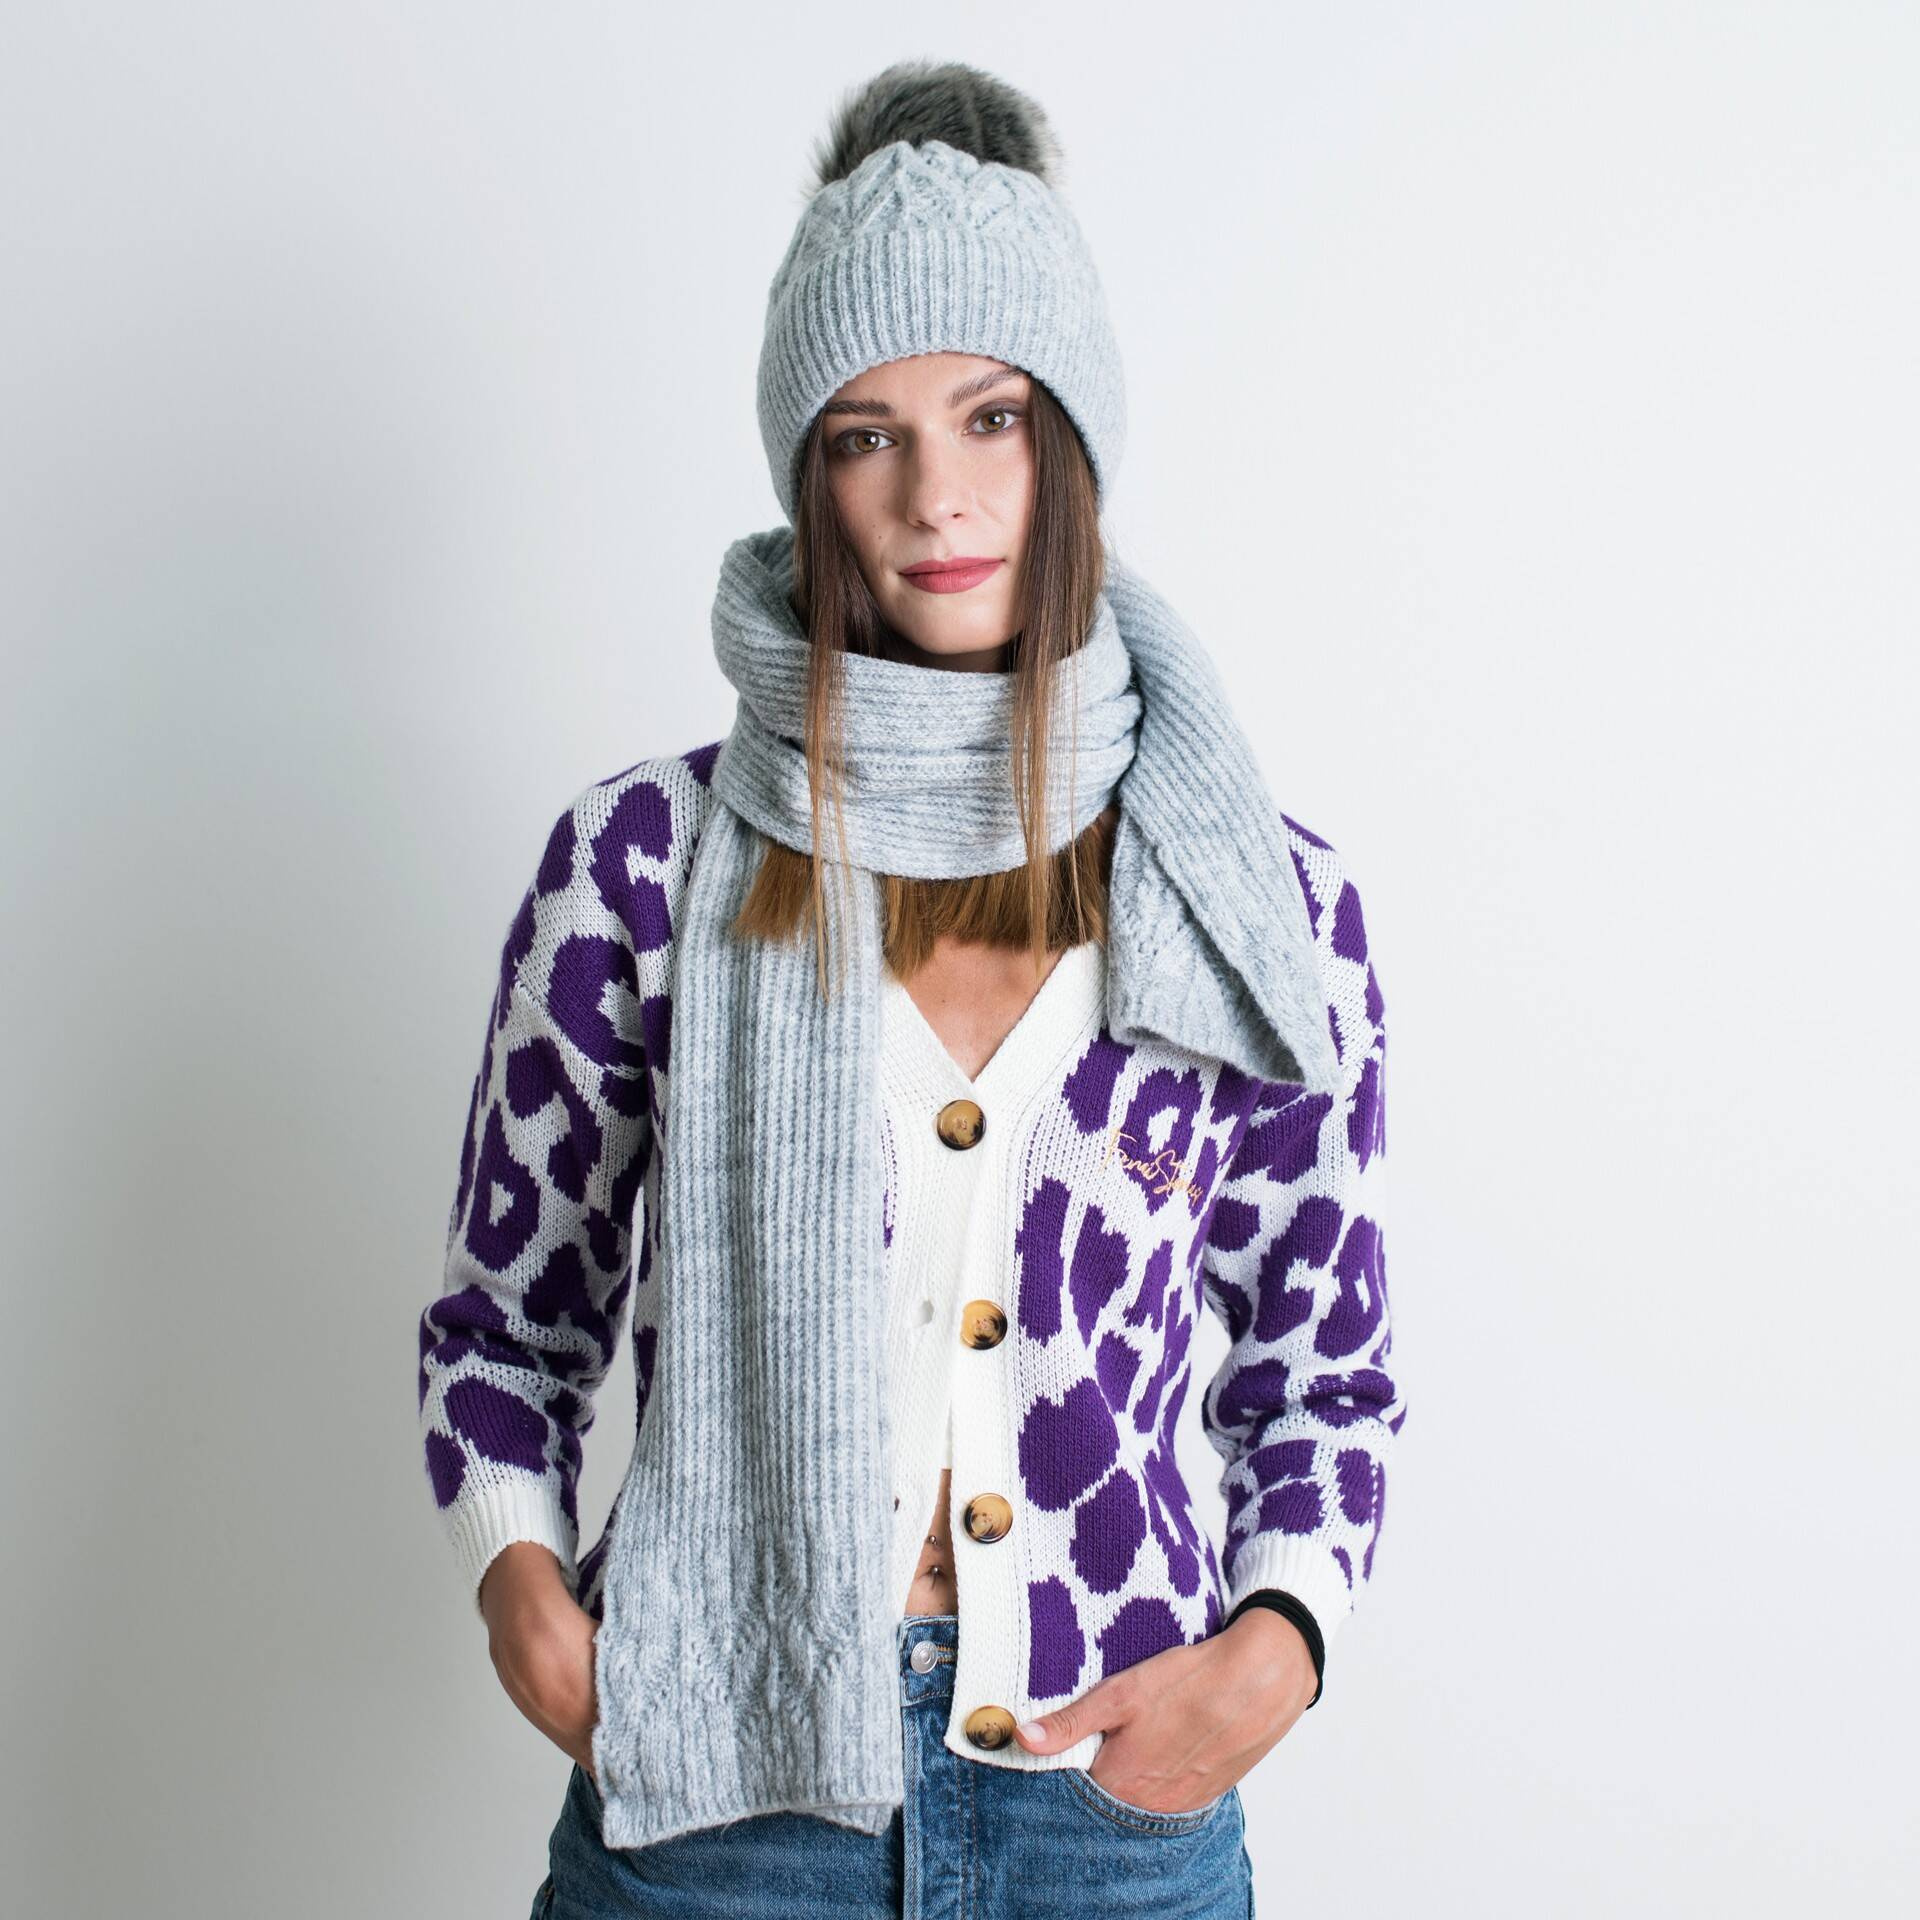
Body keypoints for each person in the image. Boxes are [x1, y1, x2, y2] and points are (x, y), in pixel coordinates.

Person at [416, 59, 1403, 1919]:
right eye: (867, 435)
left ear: (1073, 440)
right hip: (713, 1798)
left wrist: (1274, 1653)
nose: (938, 496)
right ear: (810, 478)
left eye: (992, 417)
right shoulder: (643, 867)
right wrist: (525, 1597)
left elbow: (1324, 1366)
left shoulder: (1260, 899)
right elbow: (504, 1327)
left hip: (1110, 1801)